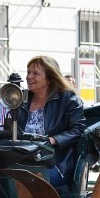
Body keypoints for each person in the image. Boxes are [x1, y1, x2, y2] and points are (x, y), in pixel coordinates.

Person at [15, 55, 85, 188]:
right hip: (21, 160)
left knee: (22, 181)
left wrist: (54, 140)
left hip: (54, 163)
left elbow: (78, 129)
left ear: (49, 79)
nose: (29, 76)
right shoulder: (21, 99)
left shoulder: (68, 99)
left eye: (35, 73)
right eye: (28, 72)